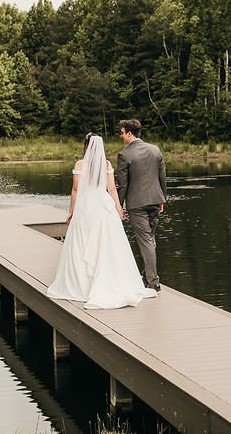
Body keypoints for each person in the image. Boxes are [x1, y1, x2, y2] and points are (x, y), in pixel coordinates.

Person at [47, 133, 157, 309]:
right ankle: (111, 279)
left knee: (83, 242)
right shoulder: (106, 164)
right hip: (103, 206)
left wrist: (71, 211)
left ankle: (82, 284)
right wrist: (119, 209)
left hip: (85, 205)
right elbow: (112, 188)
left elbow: (75, 190)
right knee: (107, 244)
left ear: (86, 146)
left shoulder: (80, 165)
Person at [116, 119, 166, 292]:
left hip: (137, 204)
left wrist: (119, 206)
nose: (121, 136)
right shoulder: (155, 149)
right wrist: (162, 199)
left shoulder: (124, 154)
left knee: (146, 241)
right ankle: (147, 275)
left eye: (122, 132)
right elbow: (162, 178)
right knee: (150, 239)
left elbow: (123, 185)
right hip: (154, 200)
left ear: (130, 133)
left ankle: (153, 282)